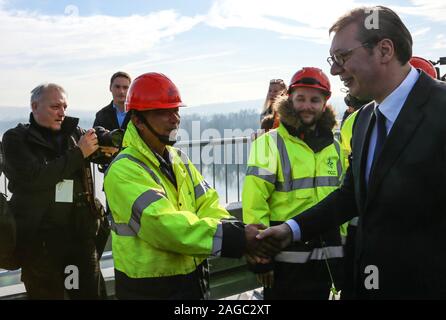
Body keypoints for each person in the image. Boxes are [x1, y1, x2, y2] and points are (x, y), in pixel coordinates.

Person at [256, 6, 446, 299]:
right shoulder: (364, 121)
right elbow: (353, 195)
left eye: (342, 57)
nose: (335, 70)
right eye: (333, 60)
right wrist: (291, 229)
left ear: (384, 50)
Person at [103, 72, 262, 300]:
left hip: (193, 280)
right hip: (150, 289)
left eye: (176, 110)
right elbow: (163, 225)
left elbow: (208, 203)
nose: (174, 118)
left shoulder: (179, 158)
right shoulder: (124, 169)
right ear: (137, 120)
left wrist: (236, 232)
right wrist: (237, 239)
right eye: (163, 112)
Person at [243, 67, 345, 300]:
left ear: (325, 103)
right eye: (300, 98)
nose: (307, 106)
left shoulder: (335, 148)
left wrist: (344, 249)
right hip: (284, 264)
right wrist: (261, 258)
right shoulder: (270, 144)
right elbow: (255, 202)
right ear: (290, 98)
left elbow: (342, 201)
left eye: (314, 100)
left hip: (326, 261)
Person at [2, 83, 109, 299]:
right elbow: (34, 178)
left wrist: (107, 147)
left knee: (89, 295)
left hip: (79, 239)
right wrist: (79, 154)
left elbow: (96, 153)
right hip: (40, 245)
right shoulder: (15, 139)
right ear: (34, 106)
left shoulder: (73, 134)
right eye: (55, 107)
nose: (62, 113)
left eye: (65, 107)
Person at [93, 71, 132, 172]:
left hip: (135, 172)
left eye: (125, 87)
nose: (121, 91)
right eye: (117, 87)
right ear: (110, 88)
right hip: (111, 172)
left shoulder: (138, 115)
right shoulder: (101, 115)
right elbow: (95, 145)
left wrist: (116, 151)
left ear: (130, 89)